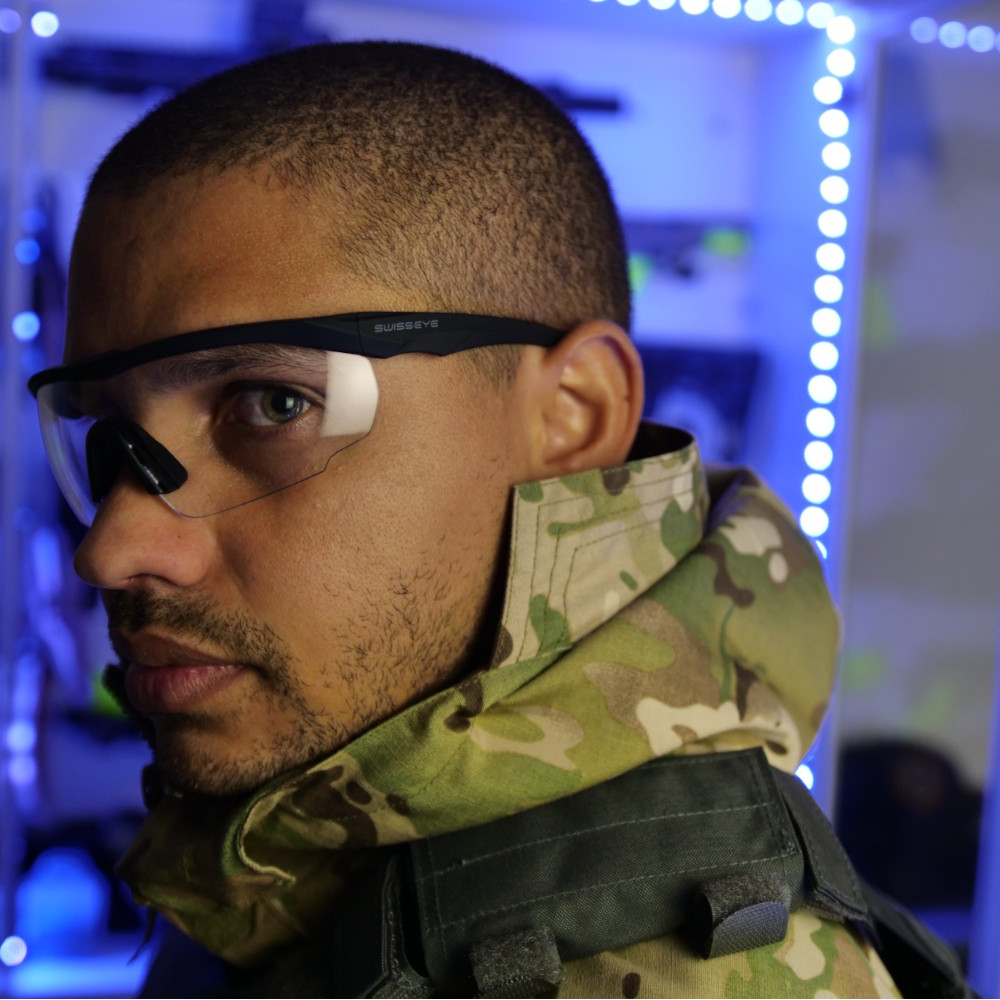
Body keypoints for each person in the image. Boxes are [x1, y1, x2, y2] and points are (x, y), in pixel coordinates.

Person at [28, 41, 962, 998]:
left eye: (273, 405)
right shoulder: (276, 868)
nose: (113, 548)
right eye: (106, 437)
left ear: (575, 417)